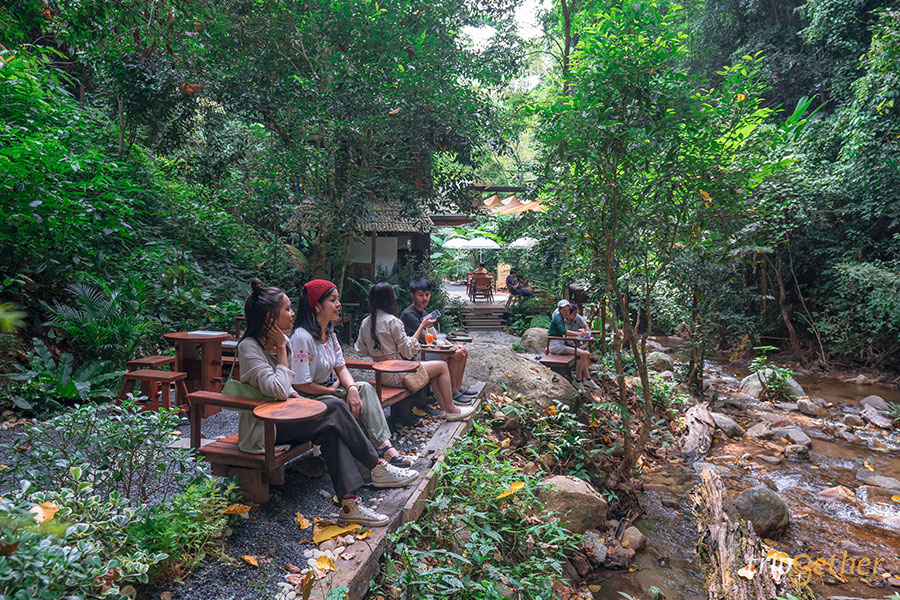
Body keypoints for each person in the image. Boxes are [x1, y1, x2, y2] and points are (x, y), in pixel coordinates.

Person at [235, 278, 418, 527]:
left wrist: (303, 396)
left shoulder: (292, 340)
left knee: (331, 428)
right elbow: (278, 389)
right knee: (333, 406)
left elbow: (289, 389)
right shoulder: (250, 347)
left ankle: (349, 505)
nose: (292, 313)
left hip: (288, 416)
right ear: (270, 318)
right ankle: (377, 465)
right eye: (287, 309)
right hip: (265, 429)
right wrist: (281, 349)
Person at [289, 279, 411, 468]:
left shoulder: (330, 335)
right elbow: (301, 384)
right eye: (332, 300)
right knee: (347, 404)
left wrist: (352, 388)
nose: (338, 304)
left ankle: (384, 448)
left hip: (328, 390)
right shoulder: (301, 337)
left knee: (363, 389)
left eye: (337, 299)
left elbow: (341, 367)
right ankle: (374, 464)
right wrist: (332, 391)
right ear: (317, 306)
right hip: (307, 398)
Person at [355, 282, 475, 422]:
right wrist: (422, 326)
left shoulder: (365, 322)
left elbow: (360, 350)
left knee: (436, 369)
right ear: (391, 299)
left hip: (380, 373)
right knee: (442, 366)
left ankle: (444, 410)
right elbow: (408, 351)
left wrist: (378, 353)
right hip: (396, 374)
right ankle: (451, 409)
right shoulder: (393, 321)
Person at [400, 278, 477, 405]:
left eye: (427, 295)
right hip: (415, 354)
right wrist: (451, 350)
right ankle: (452, 392)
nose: (424, 298)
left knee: (462, 350)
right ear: (412, 295)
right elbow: (425, 338)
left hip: (426, 350)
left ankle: (458, 388)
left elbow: (435, 334)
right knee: (455, 354)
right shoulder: (409, 314)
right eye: (420, 295)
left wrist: (452, 346)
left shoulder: (424, 312)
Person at [548, 299, 598, 391]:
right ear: (559, 310)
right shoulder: (558, 318)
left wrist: (583, 339)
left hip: (561, 344)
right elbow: (564, 332)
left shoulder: (561, 317)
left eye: (567, 310)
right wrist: (579, 334)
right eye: (564, 310)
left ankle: (587, 379)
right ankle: (578, 380)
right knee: (583, 354)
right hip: (557, 346)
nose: (566, 312)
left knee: (584, 354)